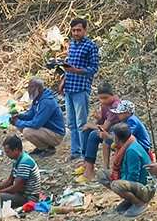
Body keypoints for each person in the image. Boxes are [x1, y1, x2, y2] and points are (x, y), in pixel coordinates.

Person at [59, 18, 99, 161]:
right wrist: (63, 80)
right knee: (71, 123)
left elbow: (94, 68)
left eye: (78, 30)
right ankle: (75, 151)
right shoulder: (72, 45)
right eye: (74, 30)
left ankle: (84, 153)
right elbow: (69, 64)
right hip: (70, 87)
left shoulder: (90, 46)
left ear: (85, 30)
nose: (76, 33)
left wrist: (77, 70)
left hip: (81, 88)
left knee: (82, 122)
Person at [99, 123, 155, 218]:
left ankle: (140, 204)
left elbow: (133, 177)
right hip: (132, 181)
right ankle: (129, 200)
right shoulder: (126, 146)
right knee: (102, 175)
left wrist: (119, 182)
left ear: (117, 139)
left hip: (144, 187)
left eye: (113, 136)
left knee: (116, 185)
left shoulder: (131, 151)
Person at [75, 82, 121, 181]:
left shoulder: (115, 106)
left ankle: (89, 171)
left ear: (113, 95)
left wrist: (90, 125)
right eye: (101, 98)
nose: (103, 101)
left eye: (105, 98)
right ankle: (87, 163)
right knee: (87, 132)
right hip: (110, 131)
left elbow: (105, 128)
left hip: (118, 134)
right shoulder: (105, 105)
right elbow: (101, 123)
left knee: (92, 134)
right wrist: (98, 118)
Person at [9, 78, 65, 156]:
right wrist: (19, 116)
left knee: (27, 131)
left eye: (31, 87)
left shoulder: (46, 103)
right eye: (28, 87)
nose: (29, 90)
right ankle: (41, 147)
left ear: (39, 88)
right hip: (46, 129)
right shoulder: (37, 99)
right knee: (20, 126)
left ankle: (48, 148)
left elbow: (36, 123)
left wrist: (18, 122)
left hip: (56, 134)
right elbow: (30, 114)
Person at [0, 135, 41, 206]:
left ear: (16, 150)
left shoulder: (24, 162)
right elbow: (10, 181)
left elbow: (17, 187)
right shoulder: (17, 160)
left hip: (27, 196)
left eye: (8, 152)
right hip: (19, 192)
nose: (7, 155)